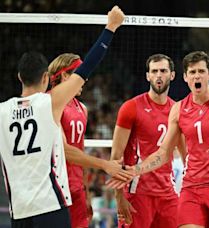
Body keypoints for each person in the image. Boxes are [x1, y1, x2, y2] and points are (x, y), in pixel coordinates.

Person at [0, 6, 129, 227]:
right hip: (51, 202)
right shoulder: (49, 103)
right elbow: (86, 67)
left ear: (19, 77)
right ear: (45, 78)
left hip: (19, 209)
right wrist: (111, 27)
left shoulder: (3, 110)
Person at [108, 51, 209, 228]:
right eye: (192, 72)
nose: (197, 76)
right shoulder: (179, 109)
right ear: (185, 77)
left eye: (201, 71)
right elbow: (164, 153)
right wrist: (136, 170)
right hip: (191, 188)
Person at [48, 53, 131, 228]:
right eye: (80, 73)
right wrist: (104, 164)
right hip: (55, 188)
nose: (85, 79)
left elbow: (80, 150)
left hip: (77, 188)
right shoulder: (50, 102)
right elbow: (64, 150)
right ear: (65, 76)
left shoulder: (82, 108)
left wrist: (85, 192)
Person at [110, 54, 184, 227]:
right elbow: (116, 155)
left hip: (168, 193)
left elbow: (186, 154)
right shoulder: (131, 107)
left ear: (172, 75)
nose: (159, 75)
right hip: (137, 192)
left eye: (163, 71)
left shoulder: (178, 110)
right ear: (148, 76)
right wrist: (119, 197)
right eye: (154, 71)